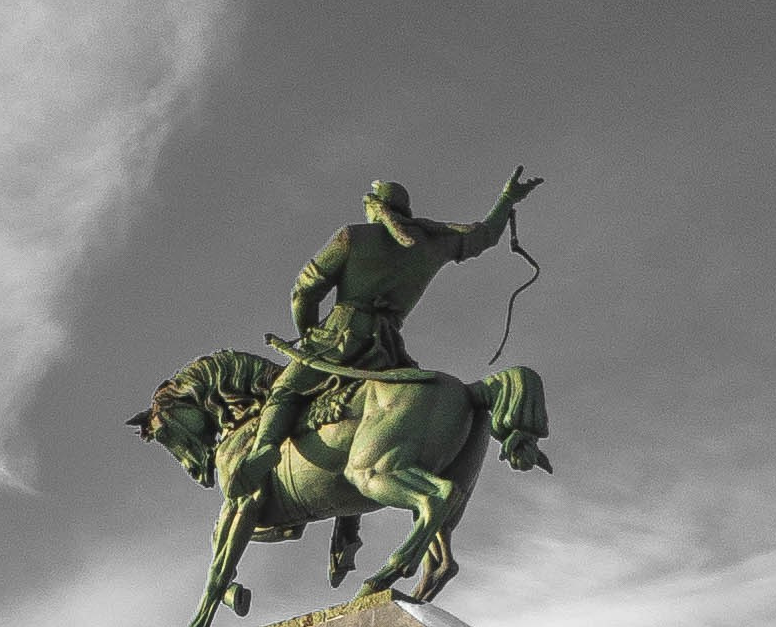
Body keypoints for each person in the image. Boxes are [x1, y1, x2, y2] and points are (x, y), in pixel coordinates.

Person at [224, 168, 540, 505]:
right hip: (387, 352)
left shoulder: (352, 237)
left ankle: (264, 452)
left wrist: (309, 336)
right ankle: (349, 534)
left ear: (374, 208)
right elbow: (483, 237)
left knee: (284, 390)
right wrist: (506, 200)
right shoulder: (431, 247)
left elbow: (304, 291)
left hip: (338, 337)